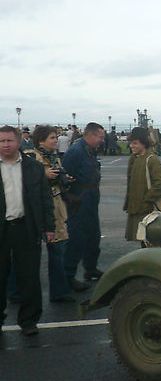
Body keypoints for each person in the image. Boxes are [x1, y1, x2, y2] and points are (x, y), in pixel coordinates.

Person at [1, 126, 55, 336]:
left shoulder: (33, 167)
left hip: (26, 228)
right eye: (1, 141)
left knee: (29, 277)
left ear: (18, 142)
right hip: (2, 229)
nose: (5, 145)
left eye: (9, 141)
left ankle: (29, 320)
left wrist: (49, 227)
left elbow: (45, 199)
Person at [24, 125, 76, 302]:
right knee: (28, 253)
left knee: (58, 249)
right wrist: (44, 174)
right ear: (41, 141)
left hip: (56, 206)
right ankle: (18, 292)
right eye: (52, 138)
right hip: (40, 210)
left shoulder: (54, 158)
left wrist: (63, 178)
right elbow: (27, 182)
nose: (56, 140)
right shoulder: (33, 157)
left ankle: (60, 290)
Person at [62, 121, 105, 288]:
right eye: (100, 137)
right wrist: (72, 197)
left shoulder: (89, 151)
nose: (102, 140)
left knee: (93, 235)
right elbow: (66, 176)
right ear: (91, 135)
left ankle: (90, 268)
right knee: (76, 238)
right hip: (80, 198)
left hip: (91, 196)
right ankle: (68, 275)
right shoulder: (76, 151)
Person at [124, 127, 161, 244]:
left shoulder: (151, 159)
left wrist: (147, 199)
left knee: (152, 241)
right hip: (137, 207)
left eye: (135, 143)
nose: (131, 146)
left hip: (147, 209)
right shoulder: (134, 158)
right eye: (131, 143)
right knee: (143, 241)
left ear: (144, 143)